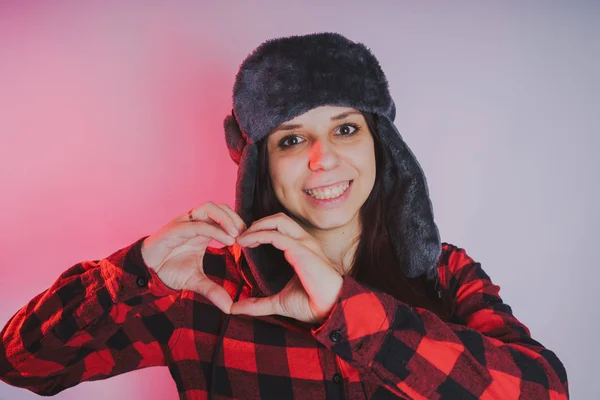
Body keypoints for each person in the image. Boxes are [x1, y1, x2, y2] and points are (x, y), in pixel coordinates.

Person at [0, 32, 568, 400]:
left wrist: (346, 310)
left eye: (346, 129)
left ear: (380, 146)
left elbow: (545, 393)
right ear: (260, 168)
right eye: (292, 139)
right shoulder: (207, 292)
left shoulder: (446, 273)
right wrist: (134, 269)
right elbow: (24, 363)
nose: (324, 159)